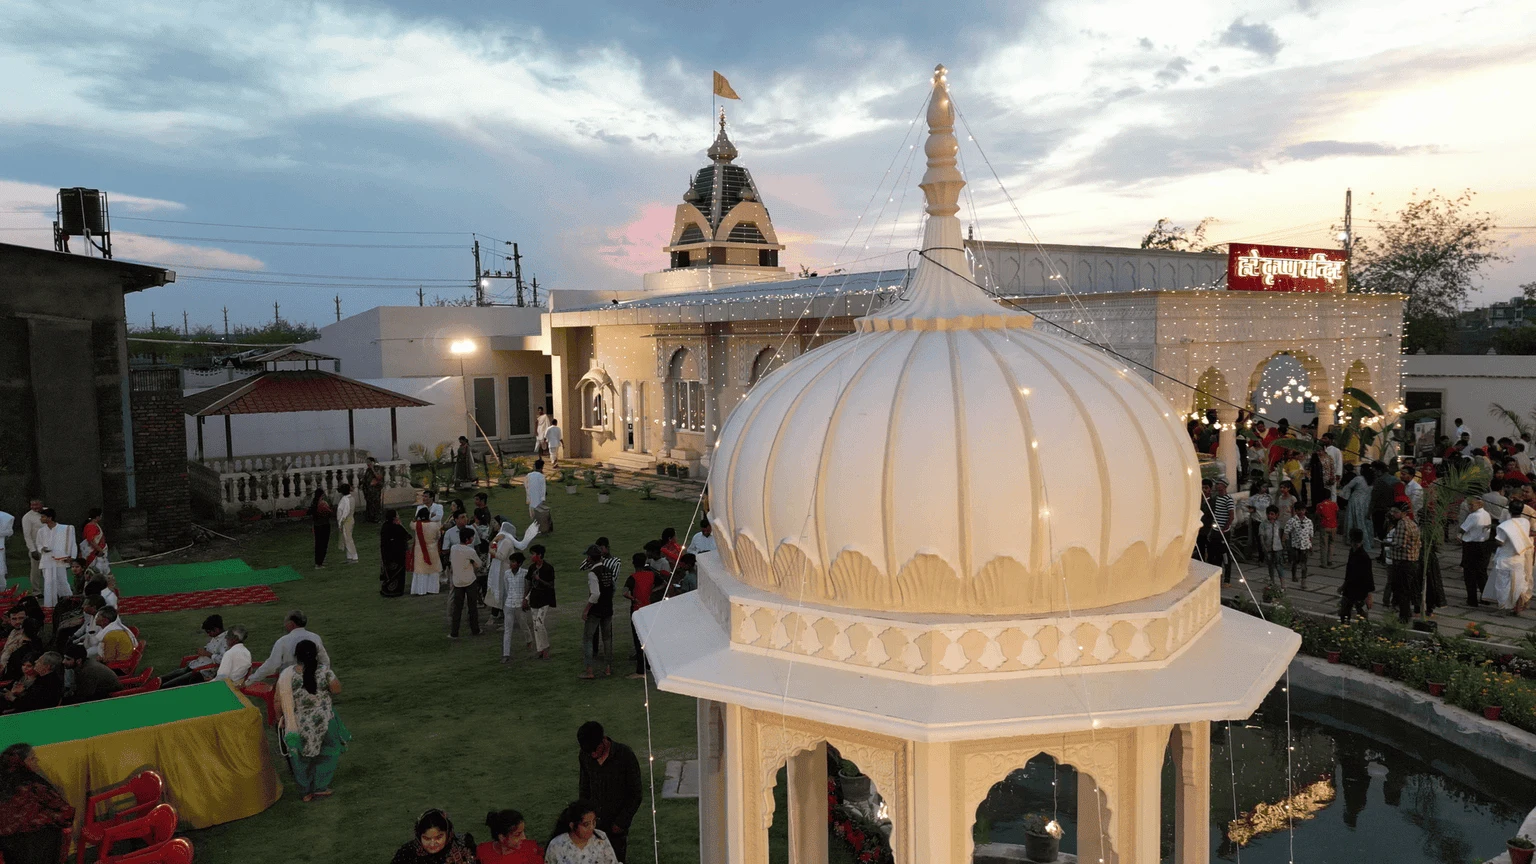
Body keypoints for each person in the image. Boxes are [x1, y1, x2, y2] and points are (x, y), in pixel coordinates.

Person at [278, 639, 348, 802]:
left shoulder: (287, 675)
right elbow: (337, 690)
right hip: (325, 721)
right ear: (316, 655)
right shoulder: (325, 672)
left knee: (301, 757)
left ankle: (306, 792)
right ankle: (320, 787)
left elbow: (278, 700)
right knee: (329, 752)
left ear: (296, 656)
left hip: (300, 723)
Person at [575, 722, 642, 863]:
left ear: (603, 740)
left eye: (595, 749)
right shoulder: (585, 756)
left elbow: (635, 793)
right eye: (589, 751)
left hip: (616, 825)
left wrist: (621, 822)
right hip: (593, 822)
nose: (593, 754)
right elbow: (584, 787)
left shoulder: (624, 756)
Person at [0, 743, 75, 864]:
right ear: (22, 762)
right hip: (35, 846)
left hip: (10, 848)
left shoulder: (5, 779)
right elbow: (65, 812)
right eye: (32, 758)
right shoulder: (32, 784)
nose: (37, 760)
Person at [248, 610, 331, 682]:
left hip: (289, 682)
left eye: (285, 622)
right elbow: (325, 661)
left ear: (291, 624)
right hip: (312, 679)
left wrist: (251, 679)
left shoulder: (282, 641)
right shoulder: (315, 637)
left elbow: (271, 666)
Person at [1487, 505, 1534, 614]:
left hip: (1506, 559)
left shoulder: (1505, 525)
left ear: (1509, 510)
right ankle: (1517, 608)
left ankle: (1502, 609)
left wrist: (1493, 534)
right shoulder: (1525, 522)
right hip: (1519, 558)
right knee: (1519, 583)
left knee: (1503, 585)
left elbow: (1500, 542)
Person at [158, 615, 228, 687]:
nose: (208, 634)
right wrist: (204, 650)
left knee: (166, 686)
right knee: (161, 679)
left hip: (203, 671)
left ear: (216, 629)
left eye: (208, 631)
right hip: (195, 665)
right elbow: (211, 648)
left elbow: (223, 660)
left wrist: (207, 654)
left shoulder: (226, 640)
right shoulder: (215, 636)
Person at [579, 545, 616, 679]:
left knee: (588, 639)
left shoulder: (592, 573)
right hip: (608, 608)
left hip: (596, 610)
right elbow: (612, 588)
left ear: (590, 558)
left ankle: (589, 671)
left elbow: (595, 594)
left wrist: (586, 609)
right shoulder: (608, 570)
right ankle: (608, 668)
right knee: (607, 638)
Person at [391, 809, 478, 864]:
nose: (432, 844)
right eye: (426, 838)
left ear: (448, 834)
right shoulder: (407, 853)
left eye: (438, 837)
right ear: (419, 836)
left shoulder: (463, 845)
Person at [544, 801, 619, 864]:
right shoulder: (557, 845)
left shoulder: (601, 838)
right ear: (572, 825)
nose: (592, 827)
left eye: (594, 822)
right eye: (586, 824)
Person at [1383, 506, 1422, 622]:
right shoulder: (1412, 523)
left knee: (1402, 590)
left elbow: (1400, 544)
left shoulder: (1401, 524)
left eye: (1396, 512)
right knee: (1407, 589)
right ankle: (1407, 613)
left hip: (1403, 562)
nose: (1393, 514)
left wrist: (1387, 543)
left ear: (1403, 513)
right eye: (1392, 511)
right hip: (1413, 561)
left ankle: (1404, 616)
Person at [623, 552, 655, 680]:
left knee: (638, 640)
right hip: (649, 609)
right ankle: (649, 665)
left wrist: (633, 598)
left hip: (637, 610)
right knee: (648, 639)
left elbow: (624, 592)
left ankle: (640, 670)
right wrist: (652, 592)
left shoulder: (633, 577)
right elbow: (664, 582)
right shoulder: (651, 575)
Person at [448, 527, 483, 639]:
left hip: (457, 581)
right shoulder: (470, 551)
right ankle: (475, 629)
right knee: (472, 607)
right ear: (468, 539)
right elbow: (479, 564)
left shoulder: (453, 548)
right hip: (469, 580)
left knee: (457, 608)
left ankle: (454, 632)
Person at [35, 509, 74, 609]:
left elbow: (72, 543)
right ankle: (50, 605)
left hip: (60, 559)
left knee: (62, 580)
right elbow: (38, 544)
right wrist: (42, 549)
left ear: (49, 518)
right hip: (47, 559)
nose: (41, 519)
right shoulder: (41, 531)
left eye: (43, 517)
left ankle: (69, 601)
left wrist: (71, 556)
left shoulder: (65, 529)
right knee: (48, 582)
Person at [1460, 496, 1494, 607]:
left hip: (1472, 546)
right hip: (1484, 545)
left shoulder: (1473, 516)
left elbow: (1463, 528)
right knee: (1481, 573)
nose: (1470, 507)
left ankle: (1472, 599)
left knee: (1469, 574)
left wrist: (1459, 534)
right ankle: (1486, 597)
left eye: (1472, 505)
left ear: (1480, 505)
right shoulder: (1487, 514)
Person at [525, 544, 556, 660]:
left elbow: (551, 585)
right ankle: (540, 649)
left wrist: (539, 580)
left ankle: (545, 647)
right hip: (534, 598)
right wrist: (525, 598)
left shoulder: (548, 568)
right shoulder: (532, 568)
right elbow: (528, 584)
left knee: (539, 623)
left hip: (544, 598)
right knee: (535, 625)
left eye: (533, 554)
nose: (531, 556)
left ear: (540, 555)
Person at [478, 809, 542, 864]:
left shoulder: (531, 850)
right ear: (502, 837)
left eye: (523, 831)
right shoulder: (483, 852)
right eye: (518, 834)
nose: (524, 837)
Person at [1341, 465, 1375, 557]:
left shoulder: (1359, 479)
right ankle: (1367, 539)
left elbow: (1348, 487)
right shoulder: (1372, 480)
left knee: (1353, 519)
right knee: (1364, 520)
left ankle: (1352, 538)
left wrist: (1345, 496)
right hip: (1366, 501)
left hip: (1356, 501)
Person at [410, 507, 443, 596]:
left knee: (421, 571)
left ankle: (420, 590)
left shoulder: (416, 525)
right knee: (433, 570)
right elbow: (438, 536)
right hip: (432, 550)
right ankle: (433, 589)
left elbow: (411, 523)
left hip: (419, 551)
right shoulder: (435, 525)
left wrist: (416, 517)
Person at [380, 509, 410, 597]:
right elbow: (407, 536)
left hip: (387, 553)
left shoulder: (384, 526)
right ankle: (397, 590)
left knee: (390, 572)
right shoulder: (397, 527)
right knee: (398, 573)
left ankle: (387, 589)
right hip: (397, 554)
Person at [1285, 500, 1313, 589]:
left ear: (1305, 510)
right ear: (1296, 511)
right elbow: (1286, 532)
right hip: (1295, 546)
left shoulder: (1309, 522)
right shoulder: (1292, 521)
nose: (1301, 512)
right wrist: (1286, 544)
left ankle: (1303, 581)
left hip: (1305, 546)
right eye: (1299, 510)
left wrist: (1311, 546)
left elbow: (1310, 535)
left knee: (1304, 564)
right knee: (1295, 562)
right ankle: (1294, 575)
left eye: (1303, 510)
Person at [20, 499, 45, 595]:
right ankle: (37, 591)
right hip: (36, 547)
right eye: (32, 505)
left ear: (41, 504)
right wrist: (32, 550)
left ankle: (50, 589)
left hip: (48, 546)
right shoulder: (27, 517)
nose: (34, 507)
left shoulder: (46, 512)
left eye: (36, 505)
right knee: (36, 571)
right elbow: (27, 535)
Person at [1257, 505, 1285, 586]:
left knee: (1279, 565)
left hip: (1278, 548)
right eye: (1268, 514)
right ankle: (1272, 581)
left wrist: (1283, 543)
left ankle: (1282, 583)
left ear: (1276, 515)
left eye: (1272, 514)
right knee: (1270, 565)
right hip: (1268, 548)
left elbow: (1281, 534)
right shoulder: (1263, 524)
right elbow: (1261, 535)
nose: (1270, 516)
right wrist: (1263, 546)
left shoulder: (1278, 524)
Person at [79, 508, 109, 577]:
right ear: (97, 517)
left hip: (97, 553)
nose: (101, 517)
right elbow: (91, 541)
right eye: (101, 515)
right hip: (93, 554)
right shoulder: (91, 526)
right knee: (94, 573)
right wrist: (100, 550)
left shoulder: (94, 525)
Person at [308, 488, 333, 569]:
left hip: (317, 525)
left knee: (318, 544)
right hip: (324, 525)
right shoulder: (323, 504)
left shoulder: (314, 503)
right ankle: (320, 561)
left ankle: (318, 561)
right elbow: (329, 513)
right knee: (323, 544)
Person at [526, 459, 552, 535]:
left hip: (531, 497)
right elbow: (543, 489)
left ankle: (536, 528)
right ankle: (542, 528)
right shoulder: (541, 476)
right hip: (539, 498)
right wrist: (543, 498)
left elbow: (526, 486)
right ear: (542, 467)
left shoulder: (529, 475)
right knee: (541, 513)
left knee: (533, 513)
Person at [336, 483, 358, 565]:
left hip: (346, 521)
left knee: (348, 539)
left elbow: (345, 511)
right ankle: (349, 557)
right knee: (346, 539)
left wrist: (341, 521)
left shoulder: (345, 500)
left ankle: (354, 557)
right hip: (350, 519)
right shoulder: (351, 498)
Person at [1315, 492, 1339, 568]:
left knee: (1323, 545)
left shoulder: (1319, 505)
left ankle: (1323, 563)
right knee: (1331, 543)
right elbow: (1337, 513)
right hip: (1334, 526)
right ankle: (1330, 561)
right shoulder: (1334, 504)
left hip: (1325, 526)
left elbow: (1318, 515)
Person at [362, 457, 385, 523]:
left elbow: (379, 477)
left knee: (376, 504)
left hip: (375, 491)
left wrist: (372, 468)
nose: (368, 463)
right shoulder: (367, 470)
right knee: (369, 504)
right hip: (368, 491)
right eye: (367, 462)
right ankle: (370, 518)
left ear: (373, 462)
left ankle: (377, 518)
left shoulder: (377, 468)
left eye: (369, 462)